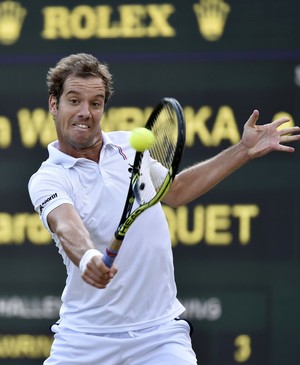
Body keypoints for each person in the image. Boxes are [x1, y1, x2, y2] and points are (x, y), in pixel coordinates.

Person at [28, 53, 300, 365]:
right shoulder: (48, 177)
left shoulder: (132, 147)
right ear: (54, 105)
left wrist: (243, 151)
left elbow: (176, 191)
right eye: (74, 100)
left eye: (96, 102)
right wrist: (89, 257)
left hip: (159, 335)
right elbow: (66, 225)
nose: (85, 112)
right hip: (84, 339)